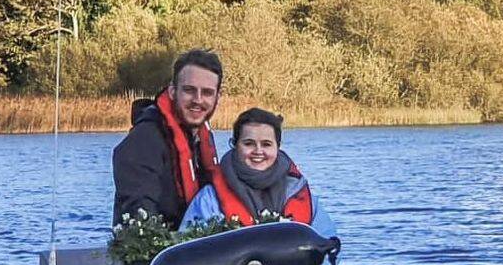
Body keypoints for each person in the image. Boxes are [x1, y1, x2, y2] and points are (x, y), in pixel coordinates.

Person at [180, 106, 336, 238]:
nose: (258, 151)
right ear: (235, 145)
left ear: (278, 147)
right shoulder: (209, 199)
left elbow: (327, 247)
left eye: (266, 144)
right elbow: (187, 248)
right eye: (249, 143)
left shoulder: (298, 191)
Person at [112, 49, 225, 228]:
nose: (198, 100)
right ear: (172, 91)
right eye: (189, 90)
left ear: (218, 97)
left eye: (207, 93)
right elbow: (138, 211)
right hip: (156, 253)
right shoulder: (143, 141)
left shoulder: (199, 139)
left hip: (194, 248)